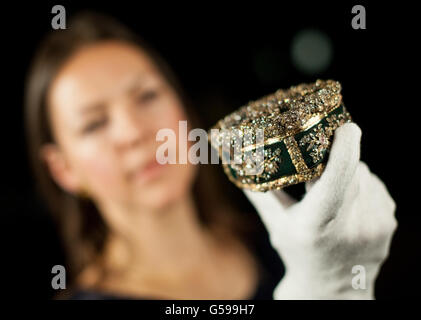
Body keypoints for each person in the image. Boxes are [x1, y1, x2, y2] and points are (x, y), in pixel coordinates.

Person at [24, 11, 397, 300]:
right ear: (64, 169)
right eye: (94, 124)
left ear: (183, 111)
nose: (133, 132)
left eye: (148, 96)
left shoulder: (276, 242)